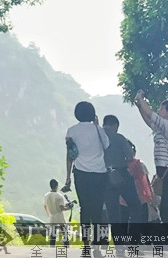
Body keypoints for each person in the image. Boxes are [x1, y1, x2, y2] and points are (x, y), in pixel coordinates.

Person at [133, 90, 168, 224]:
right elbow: (149, 121)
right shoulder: (164, 129)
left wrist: (141, 99)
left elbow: (151, 115)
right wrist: (140, 106)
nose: (158, 110)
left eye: (161, 108)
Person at [63, 101, 109, 255]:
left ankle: (86, 244)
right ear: (92, 113)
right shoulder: (98, 129)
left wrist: (68, 177)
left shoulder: (71, 131)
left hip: (81, 174)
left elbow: (70, 155)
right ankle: (97, 244)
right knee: (97, 209)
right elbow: (106, 145)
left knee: (85, 209)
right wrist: (96, 125)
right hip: (100, 174)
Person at [101, 115, 144, 244]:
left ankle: (119, 247)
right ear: (115, 126)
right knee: (136, 207)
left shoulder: (98, 138)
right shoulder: (119, 138)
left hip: (105, 177)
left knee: (113, 213)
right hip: (121, 174)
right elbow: (130, 157)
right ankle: (133, 240)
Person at [123, 142, 152, 224]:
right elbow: (145, 182)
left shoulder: (118, 167)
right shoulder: (139, 164)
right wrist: (150, 196)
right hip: (140, 200)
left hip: (123, 202)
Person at [44, 178, 72, 247]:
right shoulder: (59, 196)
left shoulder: (46, 195)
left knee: (53, 235)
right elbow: (61, 208)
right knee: (65, 233)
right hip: (59, 217)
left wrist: (49, 214)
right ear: (57, 186)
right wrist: (69, 208)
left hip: (52, 217)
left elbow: (45, 206)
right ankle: (67, 248)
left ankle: (52, 248)